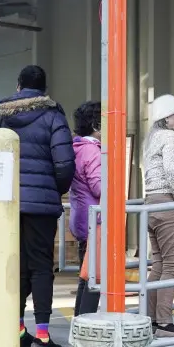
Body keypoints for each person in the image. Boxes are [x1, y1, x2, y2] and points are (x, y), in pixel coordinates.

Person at [0, 65, 74, 347]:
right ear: (44, 88)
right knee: (40, 267)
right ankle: (42, 337)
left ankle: (18, 330)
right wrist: (53, 189)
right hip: (41, 207)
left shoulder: (1, 117)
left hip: (7, 205)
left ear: (18, 86)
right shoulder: (53, 117)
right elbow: (64, 164)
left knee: (16, 266)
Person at [142, 95, 174, 337]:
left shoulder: (151, 139)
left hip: (151, 203)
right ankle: (164, 321)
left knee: (159, 263)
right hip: (168, 203)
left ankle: (151, 320)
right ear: (166, 117)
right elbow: (171, 169)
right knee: (172, 264)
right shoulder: (169, 137)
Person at [69, 100, 102, 317]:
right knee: (94, 276)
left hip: (82, 218)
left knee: (86, 275)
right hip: (96, 220)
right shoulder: (92, 151)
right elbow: (100, 187)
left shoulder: (77, 147)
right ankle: (85, 323)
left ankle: (79, 323)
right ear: (97, 124)